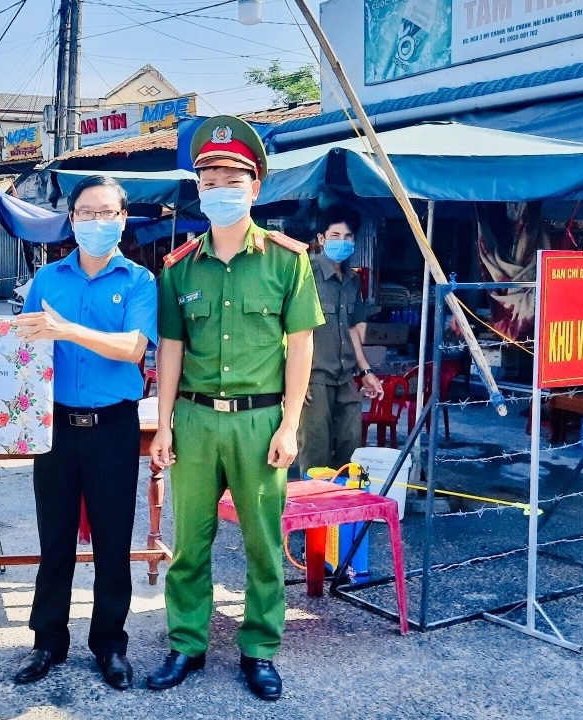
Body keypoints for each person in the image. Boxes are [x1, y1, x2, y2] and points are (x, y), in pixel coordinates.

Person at [148, 116, 324, 701]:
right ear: (199, 190)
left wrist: (290, 424)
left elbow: (301, 346)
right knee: (190, 542)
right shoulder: (179, 268)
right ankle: (187, 643)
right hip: (196, 420)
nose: (220, 189)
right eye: (209, 181)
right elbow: (171, 350)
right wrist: (164, 425)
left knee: (263, 543)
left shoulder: (287, 261)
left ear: (255, 187)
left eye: (233, 179)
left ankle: (260, 649)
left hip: (260, 421)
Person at [9, 175, 158, 690]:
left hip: (113, 426)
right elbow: (21, 347)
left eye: (107, 212)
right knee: (55, 540)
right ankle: (47, 641)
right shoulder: (47, 279)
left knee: (113, 541)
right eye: (87, 213)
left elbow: (134, 348)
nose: (97, 222)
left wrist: (67, 330)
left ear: (123, 219)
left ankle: (110, 644)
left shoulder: (139, 280)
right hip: (55, 426)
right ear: (72, 220)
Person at [300, 204, 384, 476]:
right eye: (335, 235)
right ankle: (314, 504)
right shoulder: (305, 274)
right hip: (313, 379)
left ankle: (339, 503)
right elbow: (288, 329)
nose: (342, 241)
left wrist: (366, 371)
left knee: (350, 446)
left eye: (348, 236)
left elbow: (351, 328)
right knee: (316, 454)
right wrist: (293, 381)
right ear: (321, 238)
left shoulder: (351, 280)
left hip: (345, 378)